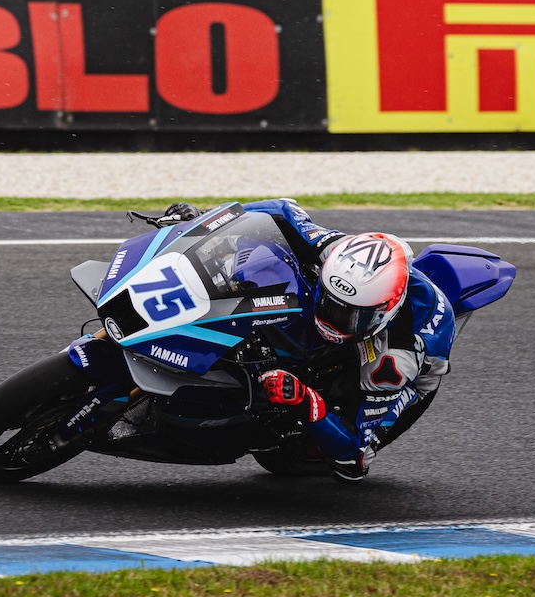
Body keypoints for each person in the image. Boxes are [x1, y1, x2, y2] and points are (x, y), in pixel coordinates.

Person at [159, 198, 454, 482]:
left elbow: (355, 461)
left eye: (349, 316)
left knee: (349, 454)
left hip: (404, 370)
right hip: (369, 296)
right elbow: (282, 210)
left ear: (382, 313)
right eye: (329, 303)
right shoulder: (334, 251)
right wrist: (204, 220)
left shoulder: (393, 364)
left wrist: (304, 398)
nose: (332, 320)